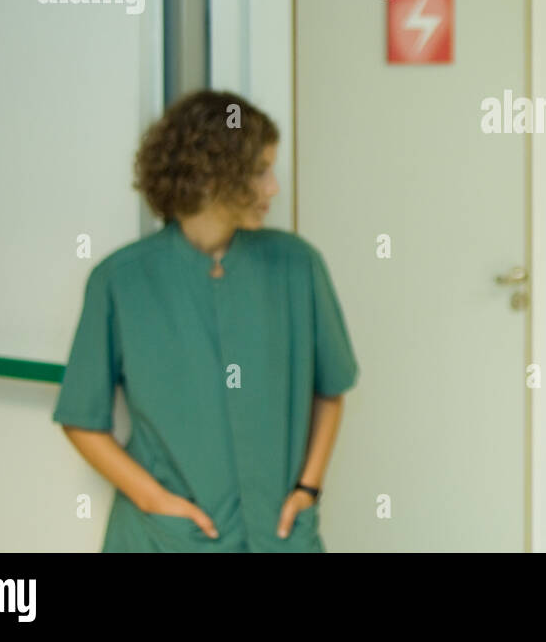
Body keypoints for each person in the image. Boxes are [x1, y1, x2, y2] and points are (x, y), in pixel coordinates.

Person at [52, 89, 359, 551]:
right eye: (260, 172)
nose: (273, 187)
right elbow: (81, 419)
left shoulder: (297, 266)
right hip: (167, 538)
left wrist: (308, 490)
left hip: (280, 535)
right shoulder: (121, 281)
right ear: (211, 175)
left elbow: (330, 391)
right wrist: (153, 499)